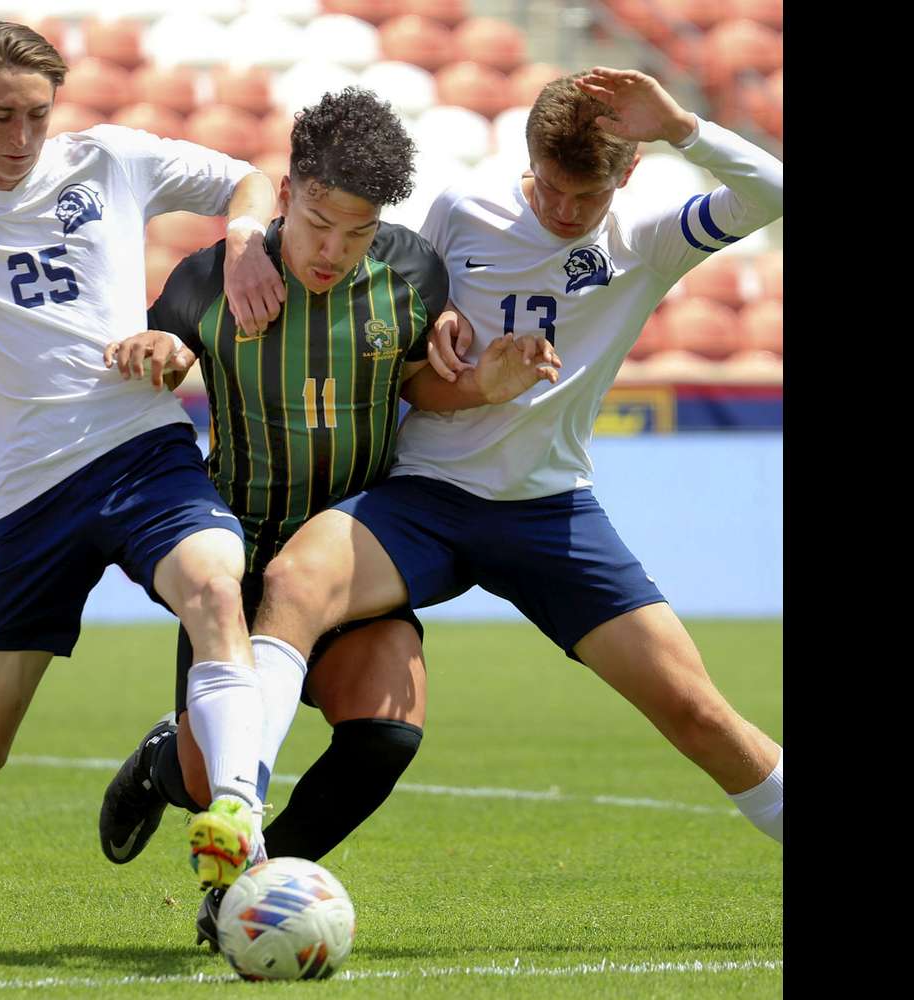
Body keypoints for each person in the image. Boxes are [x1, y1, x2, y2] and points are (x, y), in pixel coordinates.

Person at [0, 21, 289, 955]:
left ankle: (237, 816)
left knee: (214, 585)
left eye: (38, 114)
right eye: (0, 116)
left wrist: (242, 236)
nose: (23, 137)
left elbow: (253, 177)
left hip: (141, 450)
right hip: (27, 507)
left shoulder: (109, 160)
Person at [247, 67, 785, 850]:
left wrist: (682, 127)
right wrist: (425, 336)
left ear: (628, 173)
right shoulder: (462, 211)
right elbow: (394, 331)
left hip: (551, 513)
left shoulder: (645, 241)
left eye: (586, 198)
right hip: (426, 495)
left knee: (698, 712)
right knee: (296, 580)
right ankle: (238, 804)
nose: (565, 213)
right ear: (528, 161)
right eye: (551, 189)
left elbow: (770, 192)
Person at [95, 88, 561, 947]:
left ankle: (248, 888)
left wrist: (481, 387)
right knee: (209, 782)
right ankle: (169, 762)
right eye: (316, 224)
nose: (332, 251)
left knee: (387, 734)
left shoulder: (414, 272)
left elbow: (417, 382)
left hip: (352, 553)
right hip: (234, 570)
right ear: (285, 193)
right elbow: (169, 352)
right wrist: (158, 351)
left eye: (355, 232)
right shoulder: (211, 276)